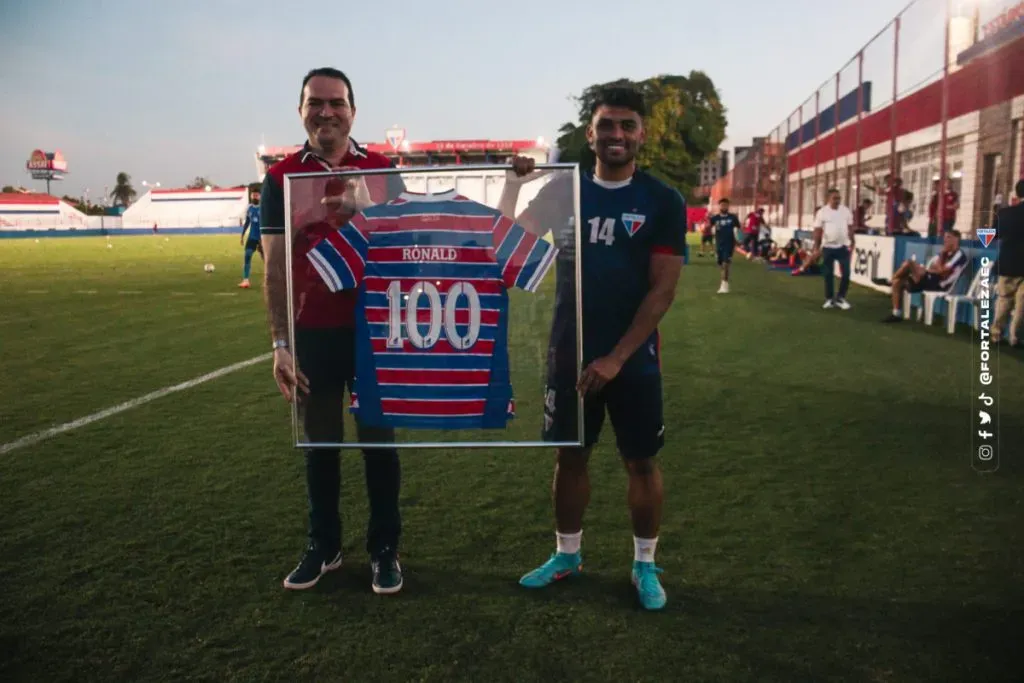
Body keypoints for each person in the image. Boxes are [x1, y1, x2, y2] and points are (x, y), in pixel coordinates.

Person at [500, 85, 686, 611]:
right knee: (570, 455)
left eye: (628, 125)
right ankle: (567, 555)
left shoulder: (661, 200)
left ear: (641, 133)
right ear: (591, 132)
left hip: (632, 357)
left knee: (641, 462)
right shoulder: (564, 191)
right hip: (568, 351)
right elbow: (509, 247)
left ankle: (644, 564)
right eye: (607, 125)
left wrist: (617, 357)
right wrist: (515, 188)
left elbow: (662, 290)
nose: (617, 135)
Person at [259, 67, 405, 595]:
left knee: (378, 446)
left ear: (353, 110)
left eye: (336, 103)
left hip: (373, 332)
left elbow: (405, 253)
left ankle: (384, 548)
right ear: (301, 110)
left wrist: (366, 212)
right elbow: (275, 266)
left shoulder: (383, 170)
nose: (326, 112)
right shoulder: (281, 178)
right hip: (312, 332)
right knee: (319, 445)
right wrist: (280, 342)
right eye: (315, 103)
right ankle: (325, 545)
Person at [882, 229, 967, 323]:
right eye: (945, 237)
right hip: (929, 280)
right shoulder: (944, 253)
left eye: (948, 237)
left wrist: (939, 263)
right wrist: (936, 267)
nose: (945, 240)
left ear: (956, 240)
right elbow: (933, 267)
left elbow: (942, 271)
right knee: (898, 283)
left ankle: (890, 281)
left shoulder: (959, 255)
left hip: (939, 284)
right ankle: (896, 314)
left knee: (909, 264)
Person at [806, 188, 855, 310]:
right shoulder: (822, 212)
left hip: (843, 247)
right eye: (835, 198)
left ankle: (840, 298)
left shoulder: (846, 211)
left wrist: (852, 240)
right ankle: (829, 299)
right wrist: (816, 248)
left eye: (839, 198)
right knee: (828, 275)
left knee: (847, 273)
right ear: (828, 199)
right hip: (827, 247)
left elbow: (850, 227)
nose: (837, 200)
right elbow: (817, 231)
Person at [992, 179, 1024, 347]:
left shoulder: (1005, 213)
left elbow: (991, 235)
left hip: (1007, 263)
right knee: (1021, 305)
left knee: (1004, 300)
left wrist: (994, 213)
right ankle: (1015, 336)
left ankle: (996, 334)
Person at [709, 198, 741, 294]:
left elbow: (738, 230)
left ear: (728, 206)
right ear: (719, 206)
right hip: (719, 244)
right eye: (722, 205)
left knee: (725, 264)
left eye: (726, 205)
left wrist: (738, 240)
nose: (724, 207)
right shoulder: (715, 218)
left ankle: (724, 285)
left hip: (729, 244)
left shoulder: (733, 218)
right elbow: (708, 227)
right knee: (721, 264)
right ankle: (724, 280)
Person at [239, 190, 263, 289]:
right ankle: (246, 280)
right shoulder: (249, 208)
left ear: (260, 197)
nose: (254, 197)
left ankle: (271, 279)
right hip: (252, 237)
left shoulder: (264, 208)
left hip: (263, 238)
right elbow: (247, 222)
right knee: (247, 256)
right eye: (253, 195)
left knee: (267, 259)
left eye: (256, 195)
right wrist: (242, 235)